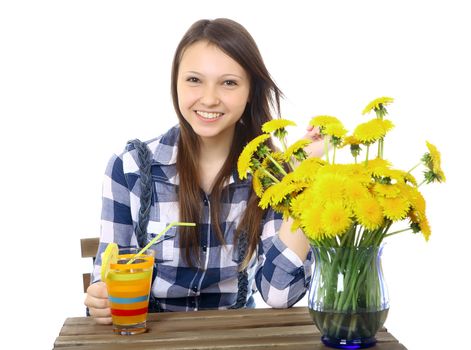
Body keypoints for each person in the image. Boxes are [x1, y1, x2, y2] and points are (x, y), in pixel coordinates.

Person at [85, 18, 324, 324]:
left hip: (235, 338)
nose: (209, 98)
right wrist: (100, 299)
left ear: (250, 90)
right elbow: (107, 278)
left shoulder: (271, 175)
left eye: (229, 82)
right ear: (176, 83)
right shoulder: (129, 167)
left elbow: (279, 294)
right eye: (194, 80)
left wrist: (302, 178)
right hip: (150, 338)